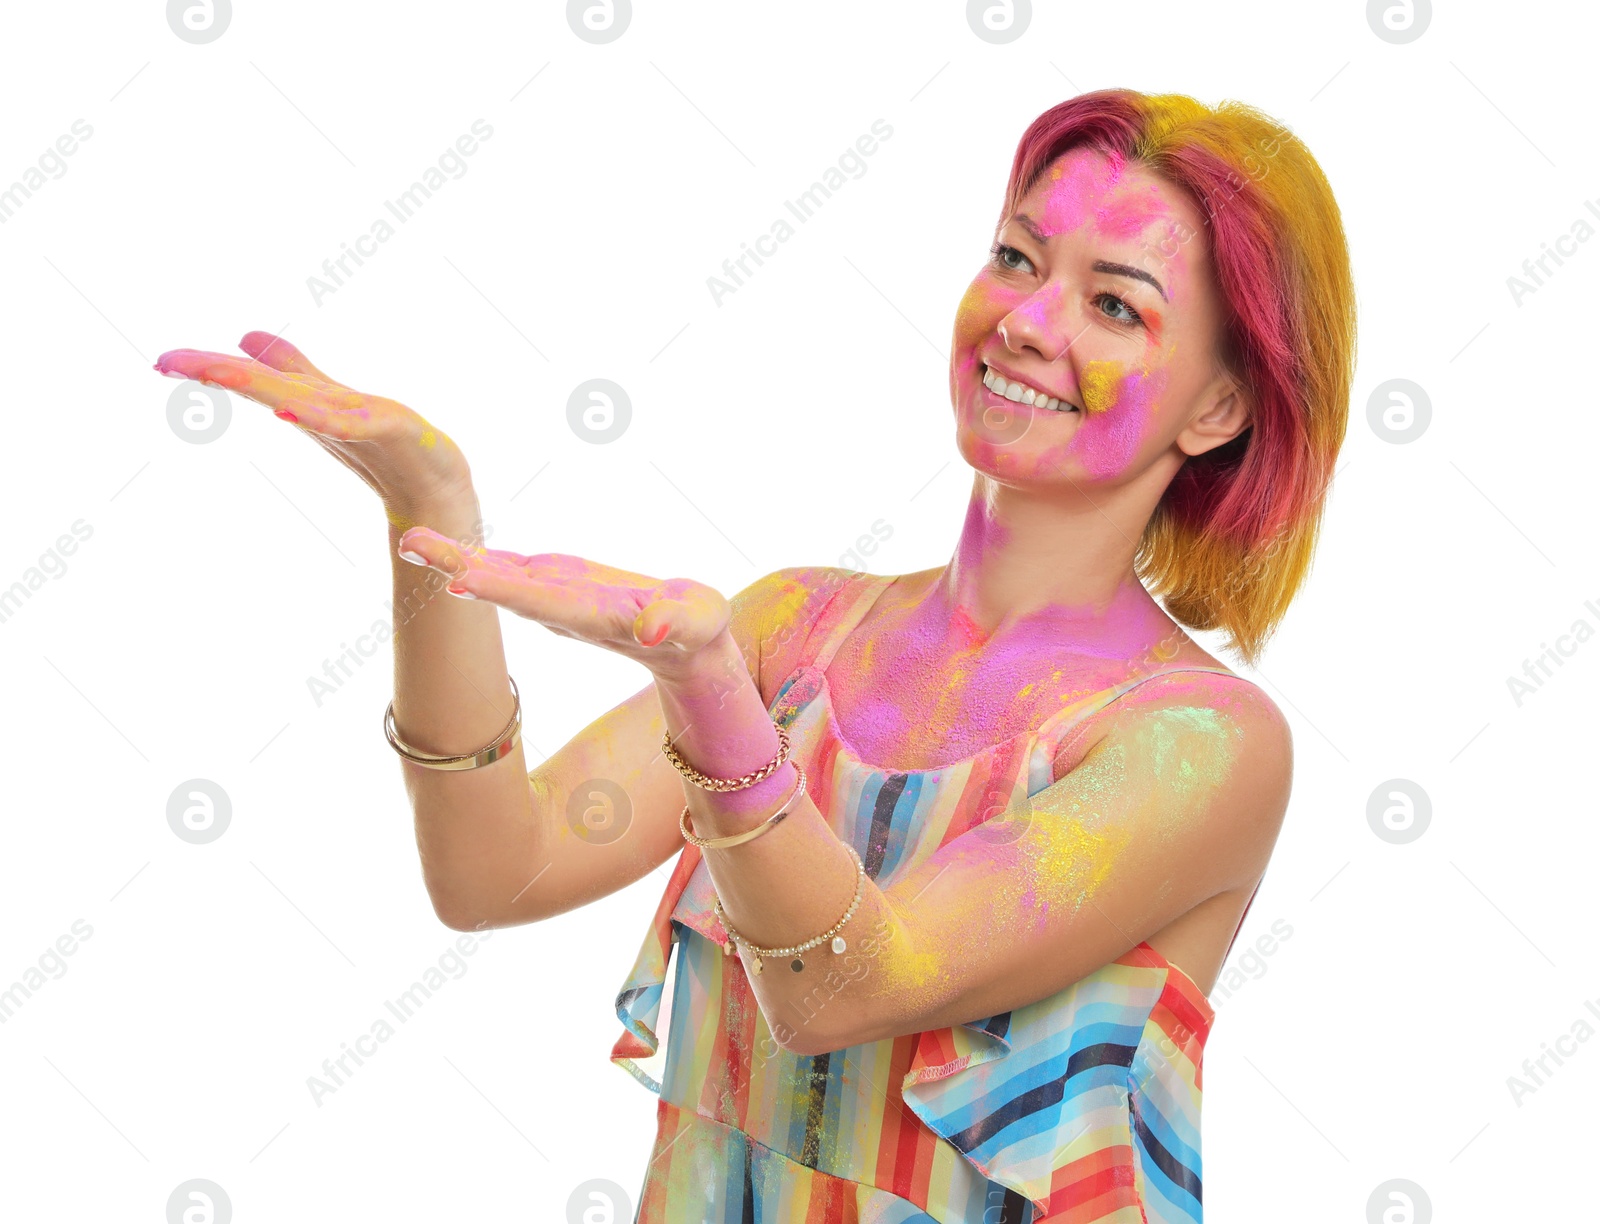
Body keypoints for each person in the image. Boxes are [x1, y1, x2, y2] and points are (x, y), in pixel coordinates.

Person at [153, 85, 1354, 1223]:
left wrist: (709, 692)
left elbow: (844, 989)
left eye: (1114, 304)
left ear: (1219, 408)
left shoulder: (1201, 744)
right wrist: (431, 527)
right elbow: (490, 873)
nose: (1026, 320)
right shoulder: (798, 627)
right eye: (1015, 258)